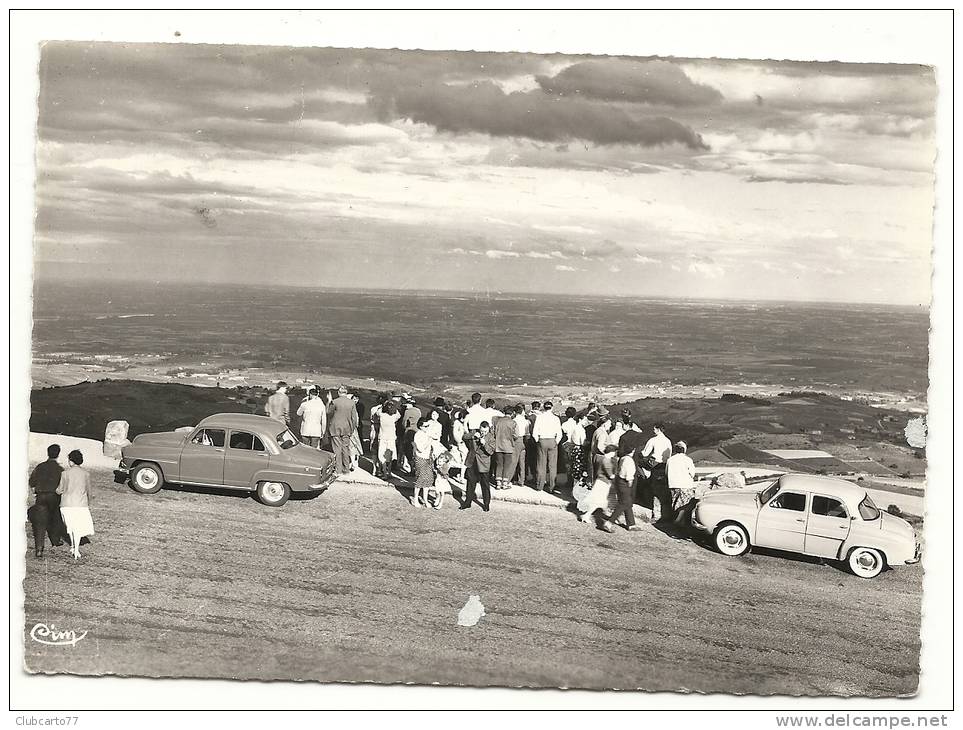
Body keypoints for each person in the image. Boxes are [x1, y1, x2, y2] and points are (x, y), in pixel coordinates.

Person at [27, 443, 68, 558]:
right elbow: (63, 486)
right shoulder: (60, 470)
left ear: (47, 453)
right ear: (58, 454)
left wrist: (36, 491)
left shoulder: (40, 467)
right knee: (55, 515)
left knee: (40, 524)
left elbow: (31, 482)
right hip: (54, 496)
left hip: (41, 496)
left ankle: (39, 549)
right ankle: (56, 539)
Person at [57, 450, 94, 560]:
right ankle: (76, 549)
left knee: (71, 527)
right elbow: (89, 492)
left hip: (67, 504)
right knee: (77, 528)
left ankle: (73, 546)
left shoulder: (65, 473)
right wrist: (88, 504)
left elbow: (60, 490)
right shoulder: (86, 474)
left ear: (71, 461)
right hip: (81, 504)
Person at [602, 442, 642, 532]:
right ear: (633, 450)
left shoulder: (622, 458)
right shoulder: (630, 461)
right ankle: (609, 523)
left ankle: (631, 524)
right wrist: (630, 486)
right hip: (625, 483)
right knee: (623, 504)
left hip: (619, 481)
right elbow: (629, 476)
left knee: (627, 503)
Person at [576, 444, 617, 528]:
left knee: (599, 501)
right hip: (603, 483)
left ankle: (588, 515)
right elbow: (610, 475)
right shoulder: (607, 461)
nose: (614, 454)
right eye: (614, 452)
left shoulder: (601, 459)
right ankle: (587, 515)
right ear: (611, 452)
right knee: (599, 501)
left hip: (600, 481)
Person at [640, 423, 673, 522]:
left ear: (658, 430)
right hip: (665, 465)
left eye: (654, 429)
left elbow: (645, 453)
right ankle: (666, 514)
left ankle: (656, 514)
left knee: (655, 490)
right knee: (664, 491)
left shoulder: (653, 440)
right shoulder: (668, 441)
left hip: (655, 465)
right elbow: (669, 455)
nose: (653, 430)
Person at [461, 421, 495, 511]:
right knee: (470, 483)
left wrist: (485, 444)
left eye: (485, 431)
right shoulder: (474, 432)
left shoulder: (491, 437)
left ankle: (486, 504)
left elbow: (491, 451)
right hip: (472, 461)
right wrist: (473, 436)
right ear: (479, 428)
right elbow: (464, 437)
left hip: (483, 464)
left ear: (488, 430)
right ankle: (467, 502)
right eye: (482, 431)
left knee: (485, 485)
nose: (483, 433)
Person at [327, 385, 359, 474]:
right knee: (345, 449)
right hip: (347, 428)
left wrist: (329, 401)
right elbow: (354, 418)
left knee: (337, 449)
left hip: (335, 428)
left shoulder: (335, 402)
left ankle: (338, 469)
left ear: (338, 393)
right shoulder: (352, 403)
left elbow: (329, 413)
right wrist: (352, 429)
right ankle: (346, 469)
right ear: (346, 393)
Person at [532, 401, 563, 493]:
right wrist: (555, 442)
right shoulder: (556, 418)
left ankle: (539, 485)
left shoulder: (539, 417)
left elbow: (534, 432)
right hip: (552, 440)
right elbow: (559, 434)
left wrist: (538, 440)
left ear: (544, 408)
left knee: (541, 464)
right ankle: (551, 486)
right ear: (552, 408)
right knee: (552, 465)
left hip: (542, 440)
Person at [666, 440, 698, 524]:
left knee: (675, 503)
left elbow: (666, 472)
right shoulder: (688, 460)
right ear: (684, 449)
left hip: (673, 484)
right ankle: (680, 520)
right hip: (685, 484)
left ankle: (678, 520)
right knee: (686, 504)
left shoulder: (670, 460)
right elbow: (692, 473)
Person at [412, 418, 441, 508]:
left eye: (428, 426)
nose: (428, 427)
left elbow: (436, 436)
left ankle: (425, 499)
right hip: (420, 458)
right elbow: (420, 449)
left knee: (428, 479)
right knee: (420, 479)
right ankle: (415, 499)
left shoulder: (427, 432)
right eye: (426, 426)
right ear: (420, 427)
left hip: (428, 458)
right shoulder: (418, 435)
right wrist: (429, 441)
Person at [492, 409, 518, 490]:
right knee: (507, 465)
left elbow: (494, 433)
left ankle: (498, 483)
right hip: (508, 446)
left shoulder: (498, 422)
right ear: (512, 413)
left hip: (498, 445)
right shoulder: (513, 423)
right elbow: (516, 435)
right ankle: (505, 483)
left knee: (499, 464)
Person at [375, 400, 401, 479]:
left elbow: (377, 412)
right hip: (392, 438)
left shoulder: (382, 415)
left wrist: (384, 405)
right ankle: (389, 472)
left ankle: (384, 472)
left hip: (382, 437)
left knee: (381, 456)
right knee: (390, 456)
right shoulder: (394, 417)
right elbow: (398, 414)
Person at [508, 404, 529, 487]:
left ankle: (508, 479)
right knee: (522, 462)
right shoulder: (526, 421)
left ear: (514, 412)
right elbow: (527, 433)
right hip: (524, 440)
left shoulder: (514, 421)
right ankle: (521, 480)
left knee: (513, 461)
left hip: (516, 440)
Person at [589, 415, 612, 482]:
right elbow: (600, 446)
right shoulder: (602, 433)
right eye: (609, 424)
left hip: (596, 456)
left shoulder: (598, 430)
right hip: (601, 457)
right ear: (605, 424)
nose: (610, 425)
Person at [450, 410, 469, 482]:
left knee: (462, 459)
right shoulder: (457, 423)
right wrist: (459, 442)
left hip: (462, 443)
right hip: (460, 444)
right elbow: (455, 434)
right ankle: (461, 476)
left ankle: (460, 474)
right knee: (463, 460)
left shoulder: (463, 423)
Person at [349, 394, 364, 469]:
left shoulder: (359, 406)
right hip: (353, 428)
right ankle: (353, 461)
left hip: (355, 428)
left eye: (357, 399)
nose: (355, 400)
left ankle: (355, 460)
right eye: (354, 399)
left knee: (356, 444)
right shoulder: (351, 406)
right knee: (352, 445)